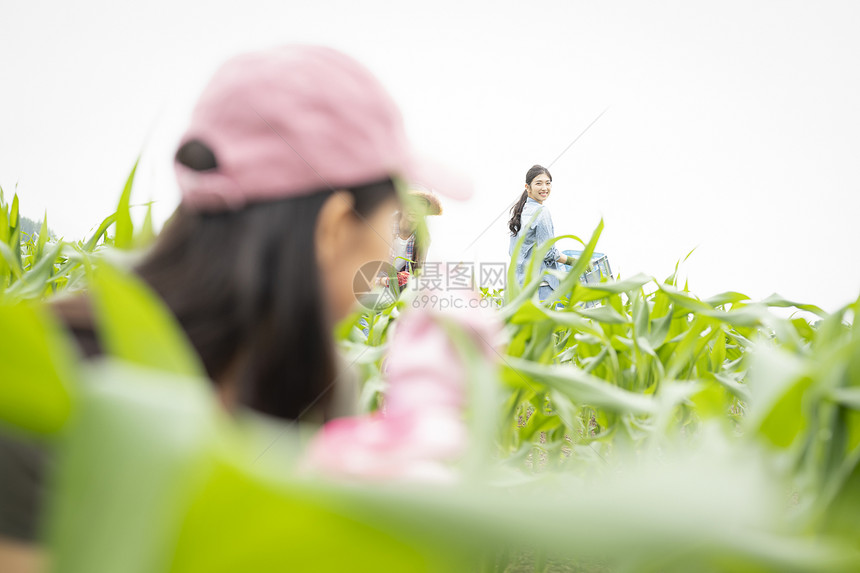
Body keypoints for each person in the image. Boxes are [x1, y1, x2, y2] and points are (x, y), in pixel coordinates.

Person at [0, 44, 471, 571]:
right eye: (394, 223)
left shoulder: (319, 378)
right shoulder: (40, 379)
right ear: (335, 226)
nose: (393, 253)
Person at [507, 165, 573, 302]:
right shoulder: (541, 212)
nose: (544, 188)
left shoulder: (522, 210)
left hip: (520, 285)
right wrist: (573, 262)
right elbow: (548, 252)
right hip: (540, 286)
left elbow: (513, 252)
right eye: (538, 183)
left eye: (548, 183)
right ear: (527, 187)